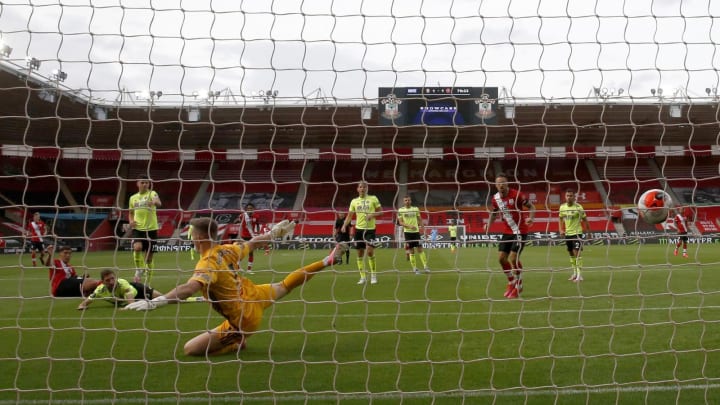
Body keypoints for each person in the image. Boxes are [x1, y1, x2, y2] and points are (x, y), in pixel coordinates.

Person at [124, 217, 346, 356]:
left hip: (243, 318)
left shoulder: (208, 262)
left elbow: (189, 288)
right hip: (253, 293)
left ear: (199, 236)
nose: (190, 238)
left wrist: (156, 302)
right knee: (285, 285)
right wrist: (275, 233)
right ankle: (327, 261)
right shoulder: (226, 249)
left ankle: (236, 341)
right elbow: (253, 243)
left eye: (191, 234)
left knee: (190, 349)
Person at [483, 173, 536, 299]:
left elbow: (532, 207)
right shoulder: (495, 199)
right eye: (498, 183)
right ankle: (511, 281)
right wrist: (488, 225)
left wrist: (531, 218)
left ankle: (519, 284)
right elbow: (494, 213)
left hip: (520, 231)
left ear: (507, 183)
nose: (501, 184)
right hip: (507, 232)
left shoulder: (517, 195)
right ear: (495, 185)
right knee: (501, 258)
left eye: (503, 182)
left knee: (513, 258)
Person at [341, 181, 383, 285]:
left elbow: (381, 212)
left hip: (370, 229)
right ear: (357, 189)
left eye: (364, 187)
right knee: (359, 253)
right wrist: (344, 225)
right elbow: (350, 216)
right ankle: (363, 277)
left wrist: (372, 215)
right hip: (358, 230)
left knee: (369, 251)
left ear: (367, 188)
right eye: (360, 187)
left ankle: (373, 275)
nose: (362, 189)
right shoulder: (354, 201)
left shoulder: (373, 198)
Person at [128, 175, 162, 284]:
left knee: (148, 259)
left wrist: (155, 202)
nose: (145, 184)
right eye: (142, 182)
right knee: (137, 248)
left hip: (151, 229)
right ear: (138, 183)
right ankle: (139, 270)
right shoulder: (133, 198)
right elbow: (130, 213)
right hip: (138, 228)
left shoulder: (152, 193)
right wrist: (131, 221)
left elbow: (158, 202)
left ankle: (148, 283)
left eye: (146, 182)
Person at [77, 268, 163, 310]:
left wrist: (126, 308)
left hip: (139, 290)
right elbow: (83, 304)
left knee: (163, 298)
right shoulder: (100, 290)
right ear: (102, 282)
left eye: (113, 278)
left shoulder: (122, 283)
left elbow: (131, 303)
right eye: (107, 280)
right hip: (130, 300)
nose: (111, 282)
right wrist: (82, 306)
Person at [558, 189, 591, 282]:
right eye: (567, 195)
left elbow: (585, 220)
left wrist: (589, 232)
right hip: (568, 234)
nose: (569, 197)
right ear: (565, 197)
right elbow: (560, 218)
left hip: (577, 233)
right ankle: (575, 273)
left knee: (577, 253)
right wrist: (561, 229)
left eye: (571, 196)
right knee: (571, 254)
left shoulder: (579, 207)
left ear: (574, 197)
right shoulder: (562, 207)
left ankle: (580, 275)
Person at [397, 195, 429, 274]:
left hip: (416, 233)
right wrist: (409, 226)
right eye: (406, 200)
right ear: (403, 202)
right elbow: (400, 222)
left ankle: (425, 266)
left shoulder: (415, 209)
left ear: (411, 201)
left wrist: (424, 231)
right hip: (407, 233)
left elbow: (420, 220)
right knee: (411, 251)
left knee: (420, 249)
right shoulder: (400, 210)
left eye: (408, 200)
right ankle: (415, 268)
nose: (407, 202)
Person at [238, 203, 259, 273]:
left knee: (251, 253)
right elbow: (237, 220)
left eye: (251, 208)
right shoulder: (243, 216)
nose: (249, 210)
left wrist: (258, 233)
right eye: (248, 208)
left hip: (251, 237)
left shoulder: (256, 216)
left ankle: (249, 269)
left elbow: (257, 225)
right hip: (243, 236)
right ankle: (238, 267)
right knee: (241, 252)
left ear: (253, 209)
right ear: (246, 210)